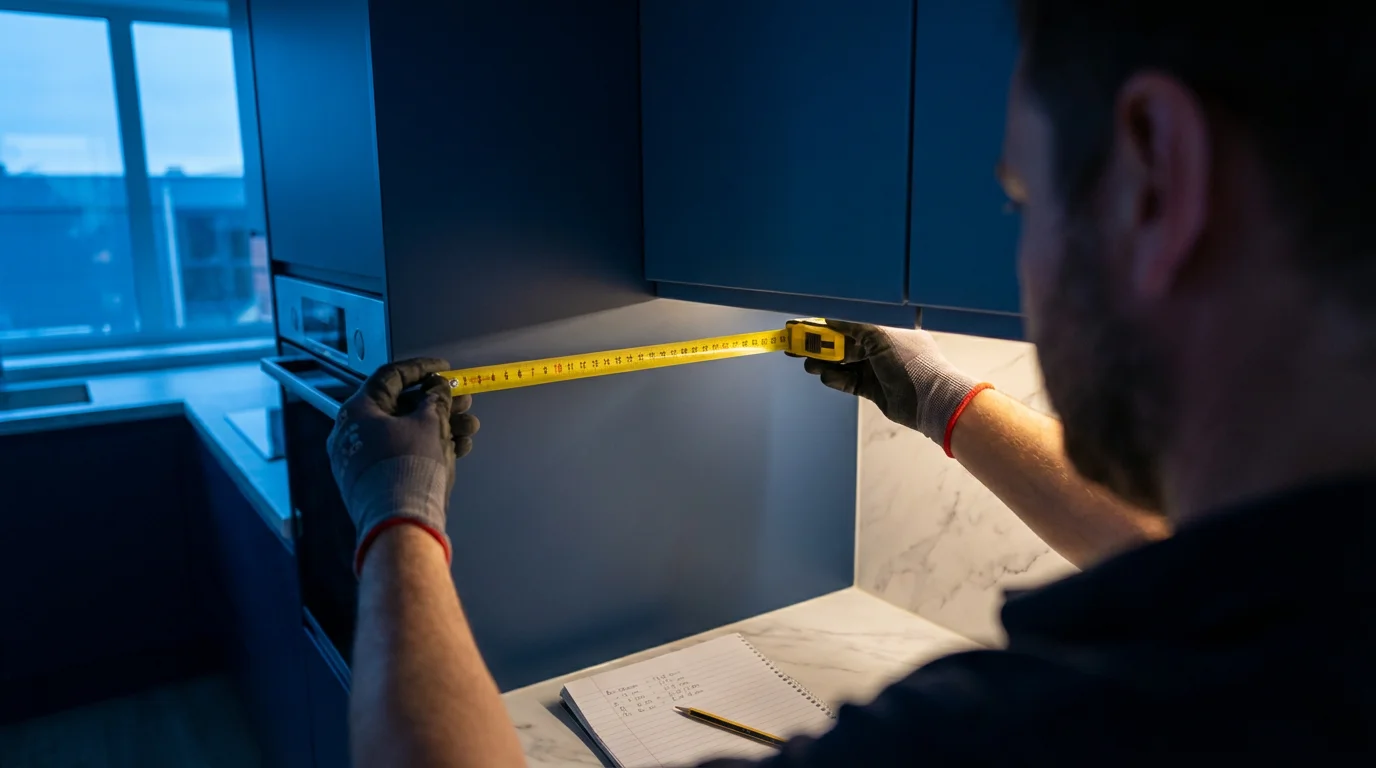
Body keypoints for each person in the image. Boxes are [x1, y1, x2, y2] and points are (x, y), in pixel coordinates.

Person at [327, 1, 1376, 764]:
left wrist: (395, 526)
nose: (1023, 256)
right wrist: (933, 397)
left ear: (1153, 177)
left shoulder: (1051, 732)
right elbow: (1172, 557)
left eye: (1021, 201)